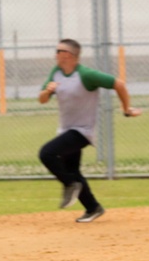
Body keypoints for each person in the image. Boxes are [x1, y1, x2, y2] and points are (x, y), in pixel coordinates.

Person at [38, 38, 141, 223]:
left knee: (46, 153)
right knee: (72, 169)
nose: (55, 54)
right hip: (65, 130)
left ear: (68, 55)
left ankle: (70, 184)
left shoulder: (86, 75)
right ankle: (93, 208)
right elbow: (42, 100)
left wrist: (126, 109)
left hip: (82, 131)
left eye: (58, 51)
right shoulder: (56, 73)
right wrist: (47, 91)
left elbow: (119, 84)